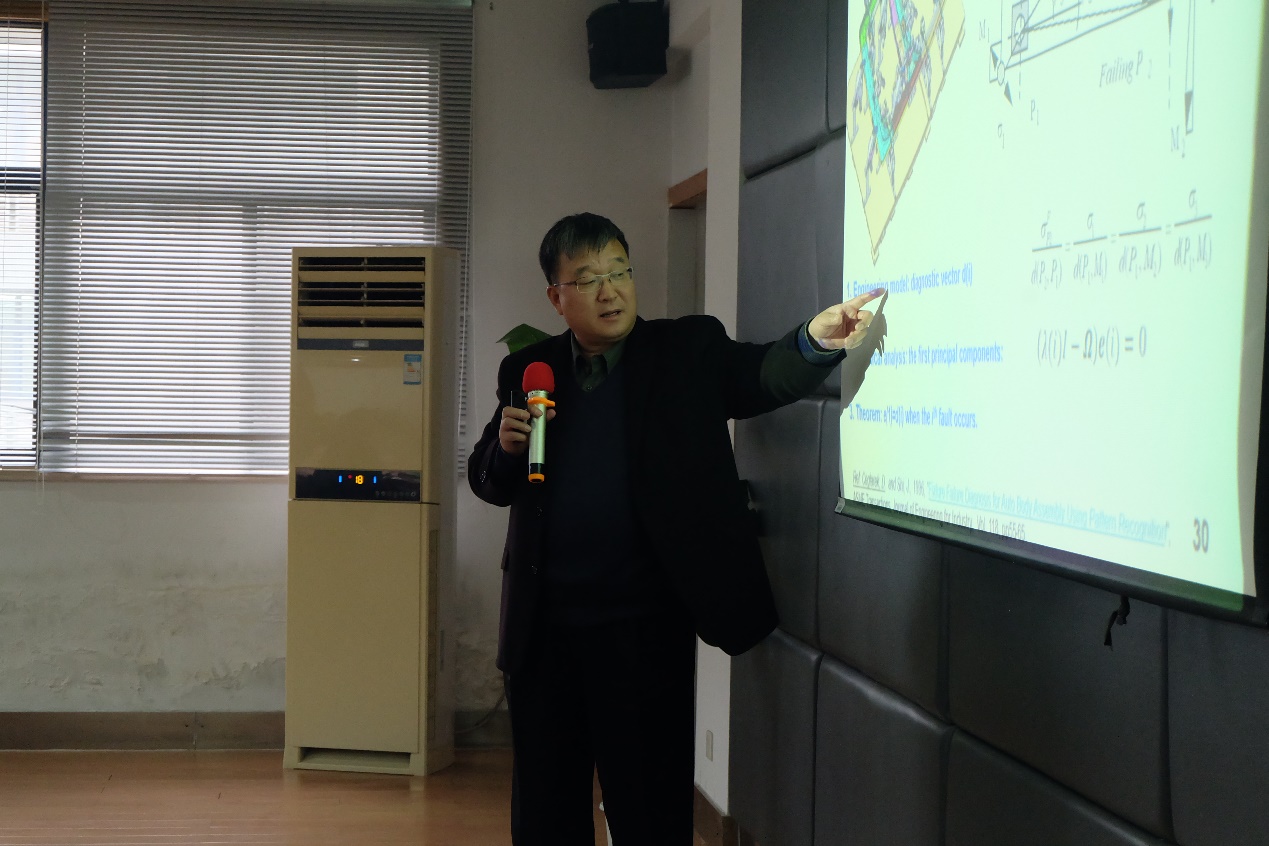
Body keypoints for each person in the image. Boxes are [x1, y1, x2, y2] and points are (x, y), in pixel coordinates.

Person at [468, 212, 880, 845]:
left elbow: (760, 376)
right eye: (588, 279)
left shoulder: (686, 350)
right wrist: (505, 451)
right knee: (546, 814)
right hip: (544, 636)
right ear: (556, 296)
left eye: (619, 271)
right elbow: (489, 481)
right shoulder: (530, 370)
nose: (610, 290)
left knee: (651, 813)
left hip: (643, 633)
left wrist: (814, 342)